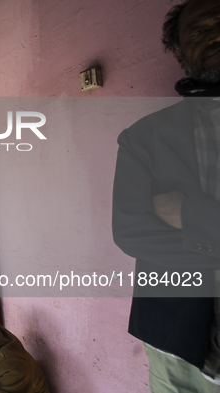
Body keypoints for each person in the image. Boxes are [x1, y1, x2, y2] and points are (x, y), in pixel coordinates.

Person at [112, 0, 220, 390]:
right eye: (197, 31)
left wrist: (189, 215)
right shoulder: (146, 138)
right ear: (178, 53)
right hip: (176, 337)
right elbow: (131, 232)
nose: (215, 35)